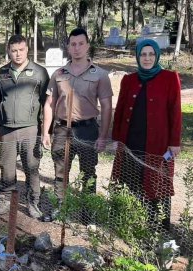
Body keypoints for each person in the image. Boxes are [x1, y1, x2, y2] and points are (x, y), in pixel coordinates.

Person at [41, 28, 113, 221]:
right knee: (60, 173)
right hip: (62, 129)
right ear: (68, 47)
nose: (77, 48)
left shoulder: (100, 75)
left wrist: (103, 136)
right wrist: (45, 131)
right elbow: (49, 104)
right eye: (73, 44)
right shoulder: (58, 74)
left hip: (88, 129)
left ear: (87, 46)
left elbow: (106, 107)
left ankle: (87, 216)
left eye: (81, 43)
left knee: (88, 173)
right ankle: (60, 209)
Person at [111, 39, 182, 231]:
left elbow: (175, 111)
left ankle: (159, 228)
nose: (147, 58)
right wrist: (116, 138)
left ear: (157, 56)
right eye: (143, 54)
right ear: (138, 57)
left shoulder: (169, 78)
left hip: (158, 144)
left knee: (157, 184)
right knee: (129, 181)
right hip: (131, 141)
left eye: (151, 54)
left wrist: (175, 142)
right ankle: (129, 225)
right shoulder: (129, 80)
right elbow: (120, 111)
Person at [0, 34, 49, 219]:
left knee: (31, 167)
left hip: (30, 128)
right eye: (14, 50)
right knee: (6, 167)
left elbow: (47, 103)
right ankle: (5, 200)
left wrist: (46, 131)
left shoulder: (39, 72)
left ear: (27, 50)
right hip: (7, 129)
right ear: (8, 51)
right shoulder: (2, 73)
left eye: (21, 50)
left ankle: (33, 203)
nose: (17, 54)